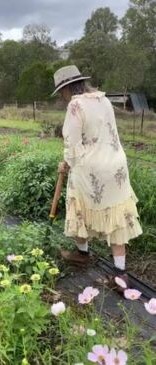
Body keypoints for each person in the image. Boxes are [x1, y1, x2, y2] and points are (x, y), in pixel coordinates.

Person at [52, 65, 142, 285]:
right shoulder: (103, 100)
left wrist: (66, 163)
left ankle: (82, 255)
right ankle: (120, 275)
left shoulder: (75, 105)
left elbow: (72, 144)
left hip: (91, 169)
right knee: (117, 215)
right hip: (117, 165)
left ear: (67, 88)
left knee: (78, 207)